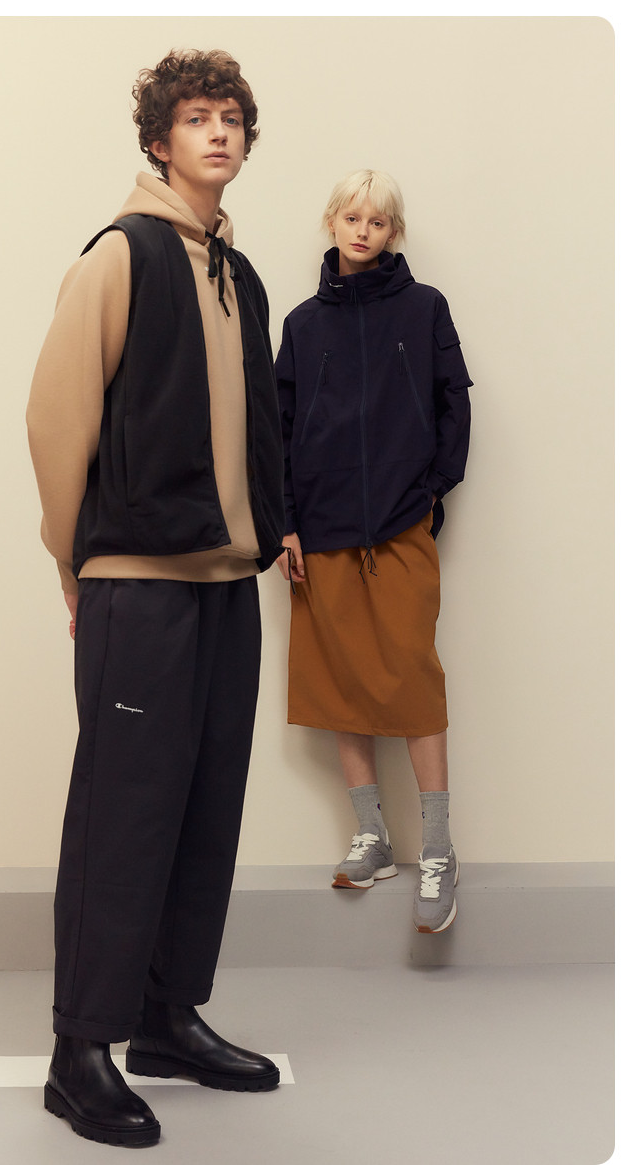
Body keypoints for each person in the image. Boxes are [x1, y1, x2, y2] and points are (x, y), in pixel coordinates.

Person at [26, 49, 285, 1148]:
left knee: (204, 811)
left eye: (231, 118)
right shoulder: (119, 256)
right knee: (123, 815)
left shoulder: (240, 274)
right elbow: (57, 422)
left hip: (227, 588)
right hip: (137, 586)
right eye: (196, 118)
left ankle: (168, 1019)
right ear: (157, 141)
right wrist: (75, 563)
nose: (218, 132)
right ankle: (80, 1050)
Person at [274, 169, 472, 935]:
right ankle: (373, 836)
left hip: (398, 525)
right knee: (337, 679)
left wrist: (431, 490)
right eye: (352, 217)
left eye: (378, 221)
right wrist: (285, 523)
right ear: (333, 222)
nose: (363, 231)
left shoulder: (424, 309)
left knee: (413, 677)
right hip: (320, 530)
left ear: (393, 232)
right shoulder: (301, 326)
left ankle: (439, 847)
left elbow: (454, 401)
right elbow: (277, 431)